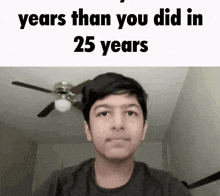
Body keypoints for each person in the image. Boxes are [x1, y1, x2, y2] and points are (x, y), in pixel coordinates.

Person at [33, 72, 191, 195]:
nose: (118, 124)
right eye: (103, 113)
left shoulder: (169, 188)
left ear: (143, 130)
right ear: (88, 130)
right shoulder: (58, 185)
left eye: (130, 113)